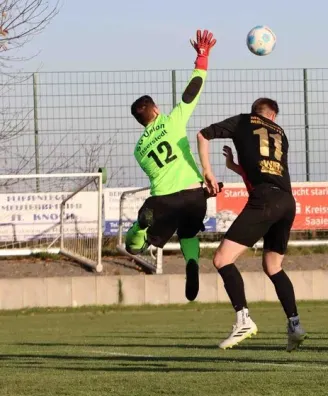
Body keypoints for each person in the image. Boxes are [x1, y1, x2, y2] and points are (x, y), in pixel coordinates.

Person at [196, 98, 307, 352]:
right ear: (273, 117)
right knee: (273, 266)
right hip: (287, 202)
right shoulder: (281, 134)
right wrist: (235, 166)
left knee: (222, 260)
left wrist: (208, 172)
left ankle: (243, 320)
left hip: (266, 199)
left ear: (254, 112)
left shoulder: (243, 121)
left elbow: (203, 135)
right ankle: (295, 324)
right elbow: (264, 173)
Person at [125, 29, 217, 302]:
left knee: (136, 247)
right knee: (188, 232)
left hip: (163, 201)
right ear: (154, 110)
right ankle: (192, 263)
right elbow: (193, 91)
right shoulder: (172, 120)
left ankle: (141, 226)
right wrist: (202, 57)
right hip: (194, 195)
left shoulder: (139, 150)